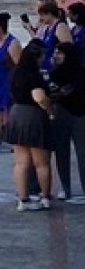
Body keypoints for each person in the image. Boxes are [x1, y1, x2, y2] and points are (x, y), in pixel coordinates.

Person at [5, 39, 53, 211]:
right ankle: (45, 197)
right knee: (42, 163)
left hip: (16, 114)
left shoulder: (15, 72)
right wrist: (49, 108)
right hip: (33, 116)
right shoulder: (34, 75)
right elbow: (39, 97)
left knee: (21, 162)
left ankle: (22, 199)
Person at [49, 42, 85, 201]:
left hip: (80, 116)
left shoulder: (81, 72)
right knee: (61, 153)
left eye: (60, 53)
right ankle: (65, 187)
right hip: (61, 116)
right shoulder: (55, 73)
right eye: (55, 52)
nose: (56, 56)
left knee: (82, 154)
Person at [0, 13, 22, 149]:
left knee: (11, 111)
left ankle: (15, 139)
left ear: (0, 28)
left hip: (7, 82)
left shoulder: (12, 43)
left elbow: (19, 66)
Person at [38, 0, 72, 71]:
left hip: (56, 69)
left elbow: (69, 50)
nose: (40, 18)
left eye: (42, 15)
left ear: (49, 14)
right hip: (46, 67)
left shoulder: (60, 26)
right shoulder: (47, 27)